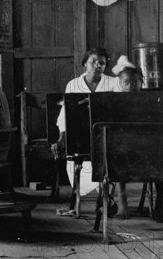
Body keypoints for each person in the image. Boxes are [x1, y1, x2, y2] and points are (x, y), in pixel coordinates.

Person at [51, 47, 118, 210]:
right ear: (85, 65)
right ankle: (81, 196)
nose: (97, 66)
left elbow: (118, 111)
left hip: (105, 134)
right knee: (77, 151)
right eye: (92, 62)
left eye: (101, 63)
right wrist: (61, 137)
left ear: (105, 66)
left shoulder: (113, 82)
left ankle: (105, 194)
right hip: (81, 136)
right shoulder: (73, 84)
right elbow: (64, 115)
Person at [111, 56, 144, 220]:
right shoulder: (115, 101)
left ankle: (158, 201)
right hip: (124, 146)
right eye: (127, 82)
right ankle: (122, 200)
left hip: (145, 144)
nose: (131, 85)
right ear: (120, 83)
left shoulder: (149, 100)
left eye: (135, 82)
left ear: (141, 82)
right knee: (118, 155)